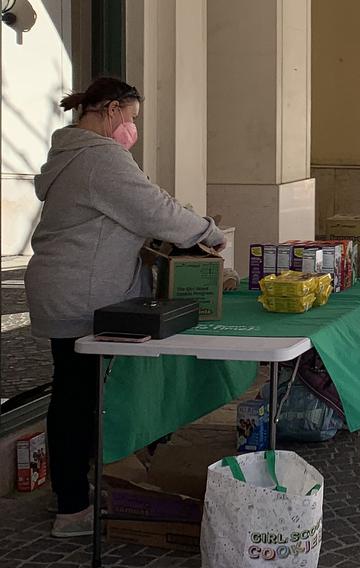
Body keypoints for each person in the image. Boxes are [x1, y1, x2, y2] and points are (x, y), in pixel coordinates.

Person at [25, 77, 226, 537]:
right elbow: (157, 210)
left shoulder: (69, 153)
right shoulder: (100, 157)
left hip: (67, 287)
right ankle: (73, 508)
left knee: (76, 393)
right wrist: (209, 231)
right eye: (131, 118)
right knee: (80, 397)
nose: (132, 128)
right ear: (111, 110)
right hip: (84, 292)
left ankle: (76, 491)